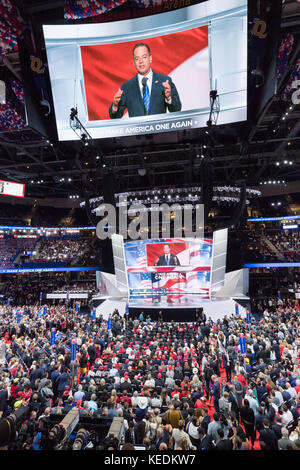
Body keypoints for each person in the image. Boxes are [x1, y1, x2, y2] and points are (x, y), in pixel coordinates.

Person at [109, 43, 181, 119]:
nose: (141, 61)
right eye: (137, 58)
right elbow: (115, 117)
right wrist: (115, 105)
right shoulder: (127, 87)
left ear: (150, 59)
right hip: (137, 130)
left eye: (144, 57)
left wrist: (169, 98)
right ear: (133, 63)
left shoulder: (164, 81)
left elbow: (177, 109)